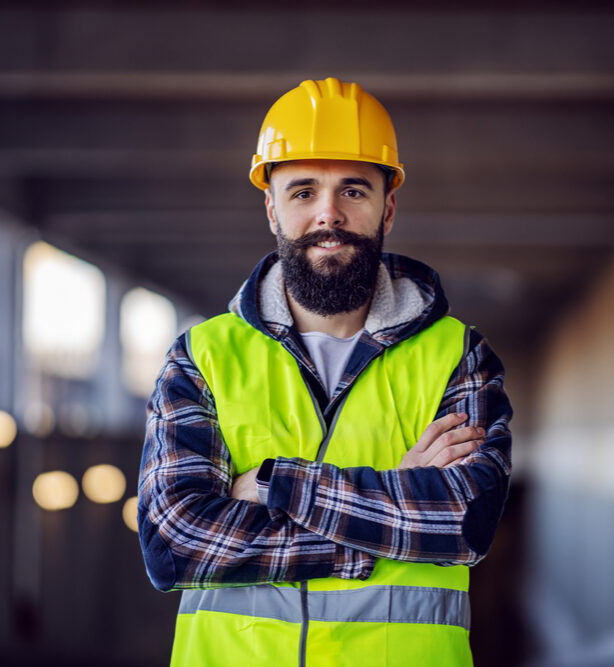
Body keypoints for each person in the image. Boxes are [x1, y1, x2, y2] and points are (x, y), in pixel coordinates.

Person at [138, 76, 512, 667]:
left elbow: (462, 521)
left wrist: (270, 484)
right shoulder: (202, 356)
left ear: (387, 206)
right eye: (303, 191)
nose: (328, 214)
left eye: (354, 191)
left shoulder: (457, 354)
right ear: (272, 207)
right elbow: (174, 543)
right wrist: (385, 514)